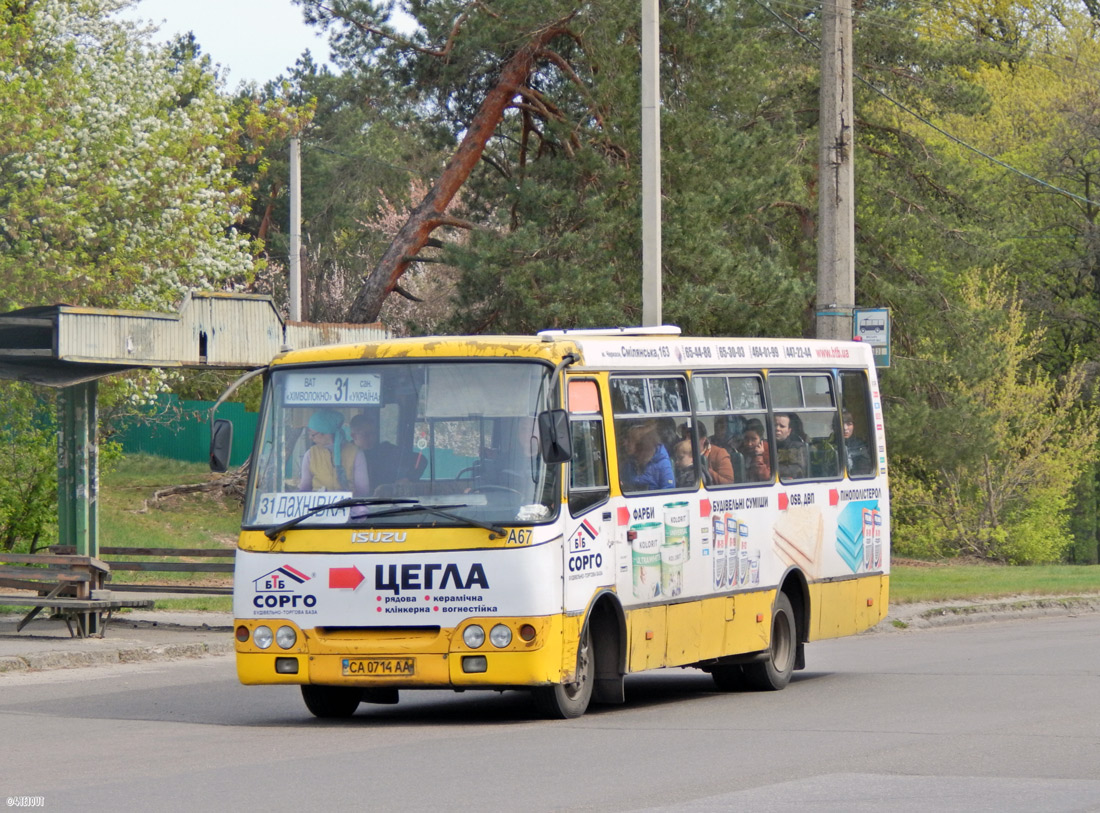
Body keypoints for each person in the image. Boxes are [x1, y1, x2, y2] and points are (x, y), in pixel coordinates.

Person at [299, 409, 369, 497]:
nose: (310, 438)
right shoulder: (310, 455)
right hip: (318, 508)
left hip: (349, 506)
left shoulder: (356, 453)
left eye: (313, 434)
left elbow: (363, 490)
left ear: (326, 433)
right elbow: (305, 488)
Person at [349, 411, 403, 492]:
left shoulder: (384, 452)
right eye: (366, 434)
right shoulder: (346, 454)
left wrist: (404, 477)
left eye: (373, 434)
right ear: (354, 436)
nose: (371, 438)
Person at [619, 420, 675, 491]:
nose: (625, 443)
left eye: (629, 440)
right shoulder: (628, 464)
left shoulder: (662, 464)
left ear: (640, 445)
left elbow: (669, 491)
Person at [696, 421, 735, 485]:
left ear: (703, 439)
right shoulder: (680, 454)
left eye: (690, 438)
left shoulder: (719, 453)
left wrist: (705, 470)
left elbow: (728, 482)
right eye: (684, 438)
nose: (686, 441)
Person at [773, 412, 808, 480]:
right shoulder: (765, 446)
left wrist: (770, 469)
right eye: (775, 425)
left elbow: (796, 470)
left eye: (782, 426)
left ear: (789, 431)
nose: (777, 428)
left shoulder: (797, 447)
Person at [842, 411, 872, 475]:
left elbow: (864, 469)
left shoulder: (859, 445)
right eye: (841, 424)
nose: (845, 428)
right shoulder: (829, 444)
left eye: (849, 424)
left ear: (854, 426)